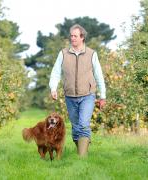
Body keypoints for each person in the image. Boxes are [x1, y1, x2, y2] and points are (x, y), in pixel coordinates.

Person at [49, 24, 106, 157]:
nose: (72, 38)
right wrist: (53, 88)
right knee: (75, 128)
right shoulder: (63, 53)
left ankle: (82, 158)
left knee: (84, 125)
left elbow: (99, 75)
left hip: (88, 95)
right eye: (71, 35)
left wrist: (102, 96)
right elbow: (56, 72)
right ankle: (82, 148)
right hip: (70, 96)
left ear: (82, 37)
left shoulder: (92, 54)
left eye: (75, 36)